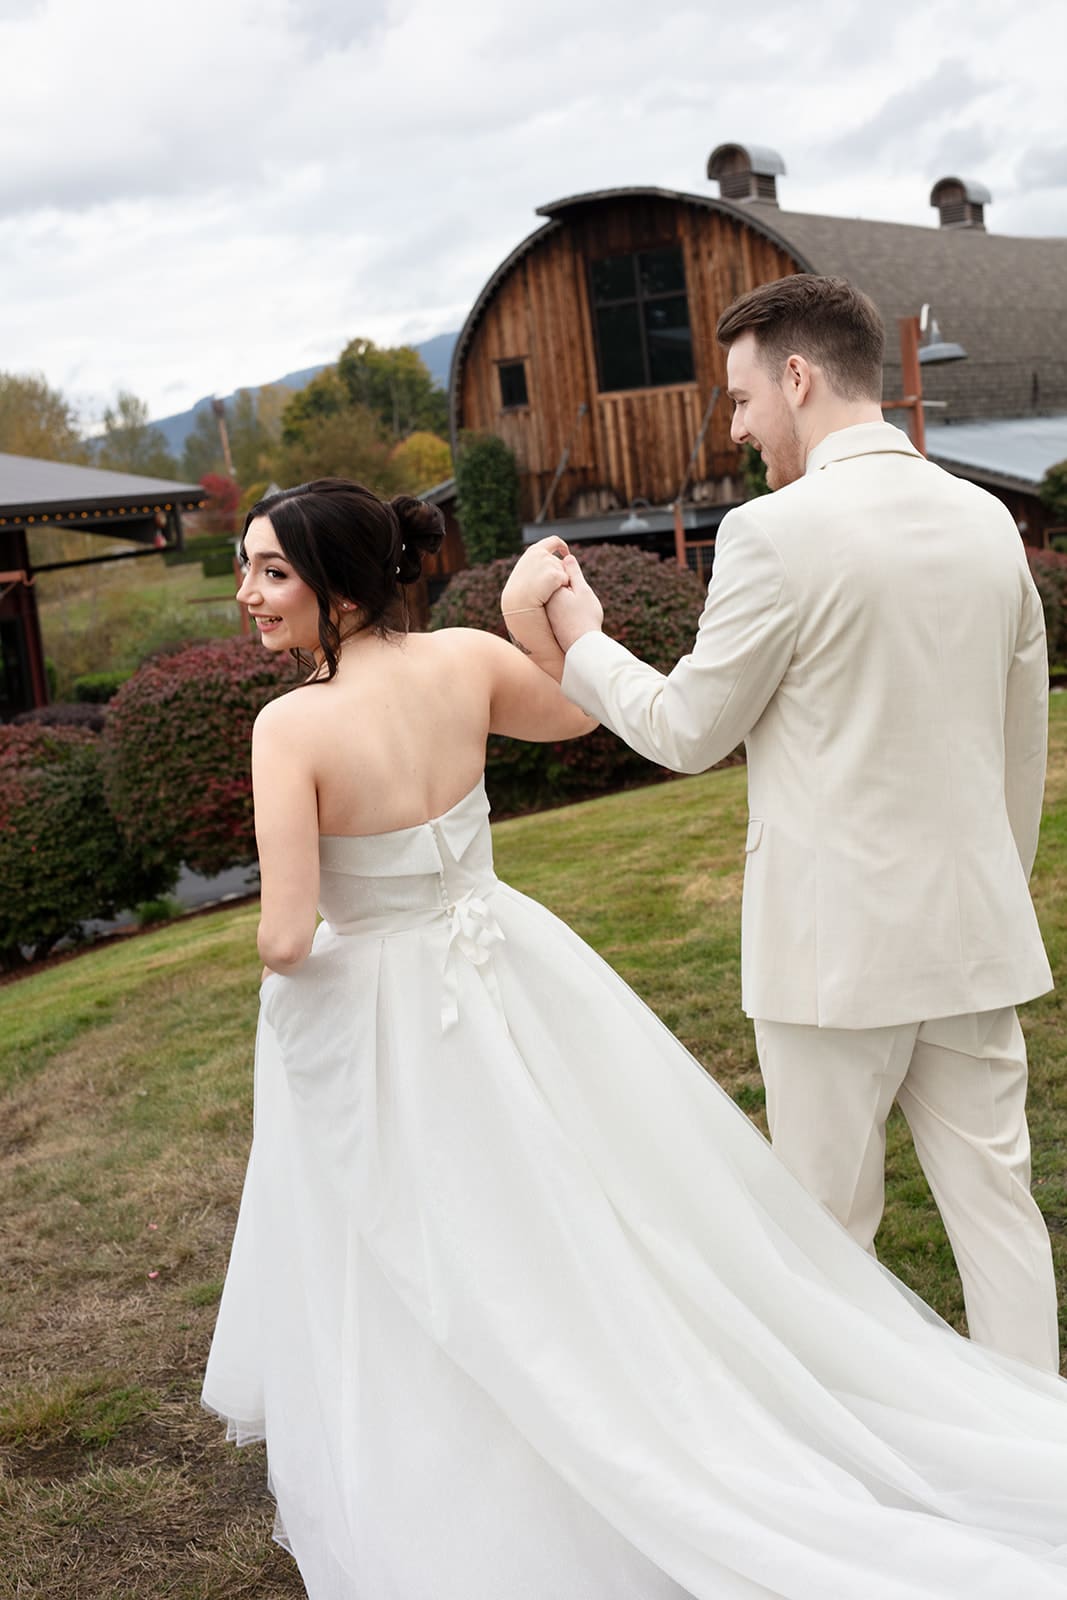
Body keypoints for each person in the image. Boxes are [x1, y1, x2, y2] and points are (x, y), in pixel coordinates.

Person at [204, 477, 1067, 1600]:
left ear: (343, 589)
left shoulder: (290, 724)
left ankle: (479, 1451)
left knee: (429, 1227)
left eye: (272, 570)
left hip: (385, 1002)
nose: (248, 594)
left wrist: (309, 940)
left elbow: (282, 935)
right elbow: (578, 710)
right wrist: (538, 622)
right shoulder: (464, 659)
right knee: (568, 1202)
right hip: (511, 966)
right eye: (245, 566)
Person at [533, 273, 1059, 1377]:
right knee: (998, 1221)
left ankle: (857, 1480)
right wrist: (987, 890)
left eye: (736, 398)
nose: (734, 428)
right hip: (972, 932)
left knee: (825, 1237)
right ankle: (1035, 1469)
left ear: (797, 376)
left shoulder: (769, 534)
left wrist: (580, 639)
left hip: (829, 958)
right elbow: (1020, 754)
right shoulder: (985, 524)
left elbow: (685, 727)